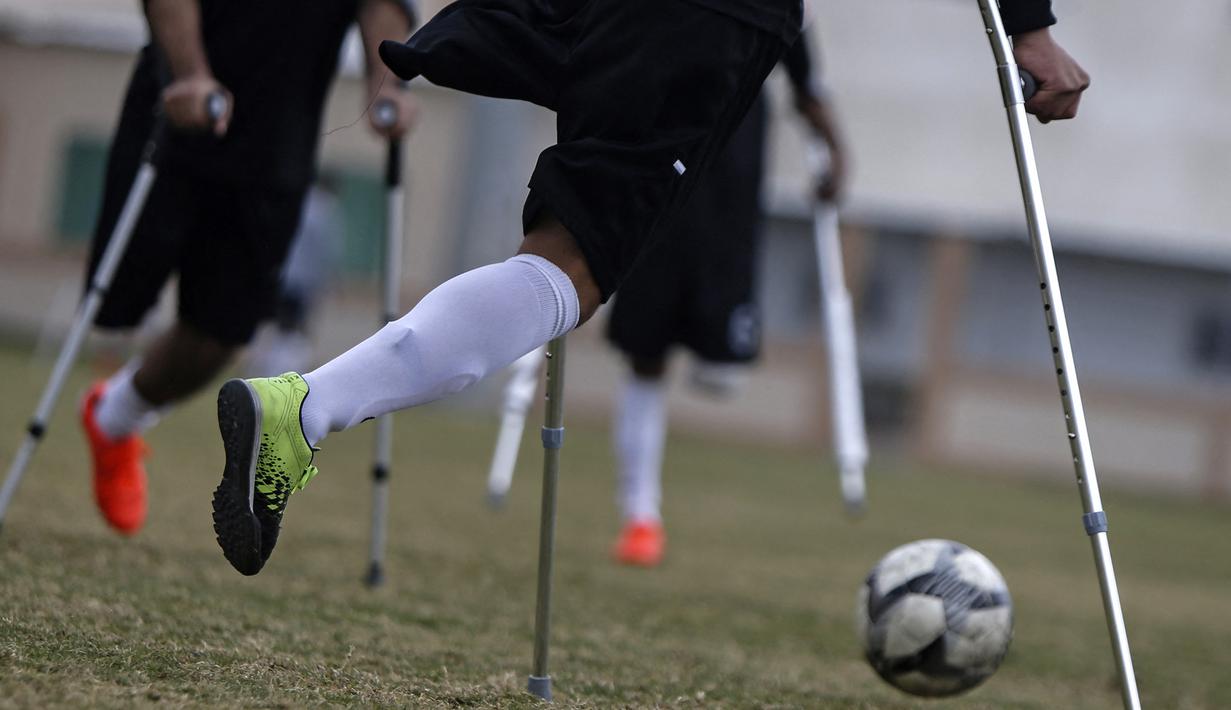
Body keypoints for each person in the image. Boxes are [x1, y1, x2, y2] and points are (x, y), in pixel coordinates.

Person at [208, 0, 1090, 576]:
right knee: (570, 266)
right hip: (700, 17)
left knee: (559, 245)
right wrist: (1029, 24)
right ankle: (306, 408)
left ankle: (311, 407)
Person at [79, 0, 418, 535]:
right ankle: (109, 414)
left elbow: (383, 6)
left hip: (275, 147)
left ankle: (113, 419)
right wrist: (191, 73)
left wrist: (387, 85)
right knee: (113, 302)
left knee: (219, 336)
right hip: (177, 113)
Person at [606, 28, 847, 568]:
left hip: (729, 198)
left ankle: (712, 349)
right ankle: (640, 514)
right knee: (646, 355)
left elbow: (806, 81)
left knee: (721, 372)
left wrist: (836, 149)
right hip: (655, 183)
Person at [245, 177, 346, 378]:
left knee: (273, 325)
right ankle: (284, 372)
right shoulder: (326, 212)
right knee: (294, 331)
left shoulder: (299, 202)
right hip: (303, 284)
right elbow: (328, 252)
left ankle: (262, 367)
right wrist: (333, 282)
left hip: (281, 276)